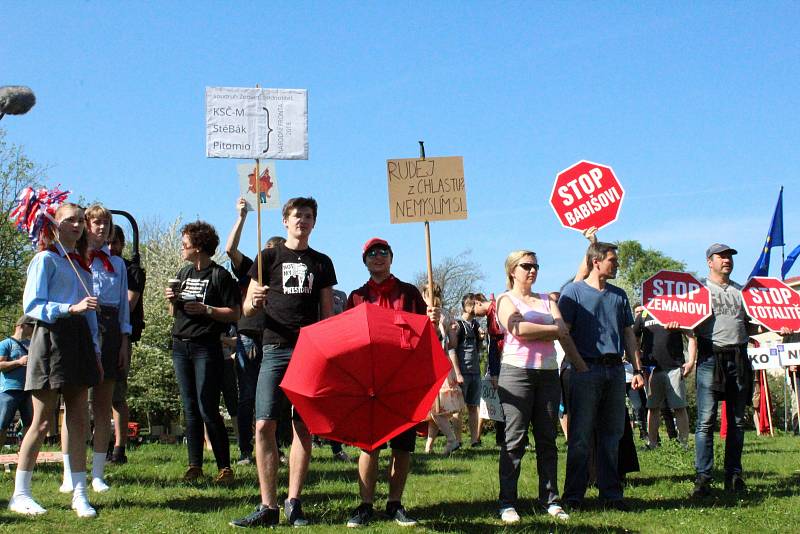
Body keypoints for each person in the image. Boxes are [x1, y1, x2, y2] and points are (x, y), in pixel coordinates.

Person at [230, 197, 336, 528]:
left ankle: (294, 502)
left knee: (303, 426)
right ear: (284, 222)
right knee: (264, 424)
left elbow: (328, 312)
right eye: (296, 216)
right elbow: (245, 309)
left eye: (307, 216)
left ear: (314, 223)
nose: (301, 221)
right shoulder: (267, 257)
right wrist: (254, 302)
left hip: (309, 351)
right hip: (273, 348)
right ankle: (268, 506)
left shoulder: (322, 262)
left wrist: (326, 349)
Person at [10, 202, 101, 517]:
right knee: (43, 420)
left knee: (78, 419)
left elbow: (90, 313)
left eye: (80, 220)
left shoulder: (83, 264)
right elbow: (32, 304)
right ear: (54, 225)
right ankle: (20, 493)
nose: (76, 225)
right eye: (69, 220)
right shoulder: (45, 260)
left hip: (79, 343)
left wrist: (96, 350)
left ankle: (79, 493)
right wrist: (68, 308)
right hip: (51, 338)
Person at [344, 237, 441, 528]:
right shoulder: (357, 296)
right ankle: (365, 505)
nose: (378, 257)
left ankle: (395, 504)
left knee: (403, 445)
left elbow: (424, 335)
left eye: (383, 252)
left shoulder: (410, 293)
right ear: (365, 261)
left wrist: (432, 319)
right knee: (369, 445)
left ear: (391, 257)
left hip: (403, 378)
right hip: (369, 380)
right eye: (372, 253)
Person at [690, 243, 794, 497]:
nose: (727, 260)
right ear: (709, 261)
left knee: (737, 421)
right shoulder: (699, 290)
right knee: (705, 421)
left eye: (729, 257)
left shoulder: (742, 292)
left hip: (738, 358)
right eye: (721, 257)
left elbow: (751, 326)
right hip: (710, 359)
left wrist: (777, 327)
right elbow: (688, 322)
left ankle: (734, 475)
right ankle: (703, 477)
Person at [496, 250, 587, 524]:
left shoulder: (547, 299)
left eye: (536, 266)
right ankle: (507, 503)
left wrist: (581, 366)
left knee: (548, 439)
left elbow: (564, 335)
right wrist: (555, 329)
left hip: (547, 374)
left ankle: (550, 500)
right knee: (514, 440)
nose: (533, 270)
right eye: (526, 266)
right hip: (516, 374)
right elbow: (518, 329)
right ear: (513, 270)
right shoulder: (504, 299)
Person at [559, 240, 645, 511]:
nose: (617, 264)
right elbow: (564, 333)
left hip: (615, 370)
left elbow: (629, 334)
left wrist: (638, 369)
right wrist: (579, 365)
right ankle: (573, 497)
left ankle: (611, 494)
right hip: (586, 370)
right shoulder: (572, 293)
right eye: (612, 260)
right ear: (596, 261)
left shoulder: (619, 296)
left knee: (613, 435)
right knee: (581, 437)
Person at [165, 221, 240, 485]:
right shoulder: (184, 273)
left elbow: (235, 313)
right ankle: (194, 465)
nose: (182, 248)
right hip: (180, 345)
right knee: (189, 407)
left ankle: (225, 467)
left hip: (206, 346)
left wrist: (207, 310)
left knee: (208, 406)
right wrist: (172, 301)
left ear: (198, 247)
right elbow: (174, 314)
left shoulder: (220, 276)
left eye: (185, 243)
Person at [61, 205, 130, 494]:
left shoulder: (119, 264)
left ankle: (99, 473)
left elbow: (124, 307)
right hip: (79, 325)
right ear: (86, 226)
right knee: (74, 405)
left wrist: (124, 340)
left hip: (110, 328)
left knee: (104, 403)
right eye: (96, 223)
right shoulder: (75, 260)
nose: (101, 228)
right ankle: (69, 473)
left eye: (106, 224)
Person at [108, 224, 146, 464]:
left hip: (120, 335)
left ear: (122, 244)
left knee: (117, 393)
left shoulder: (131, 270)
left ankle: (120, 447)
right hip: (96, 334)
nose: (111, 247)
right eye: (107, 242)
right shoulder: (96, 264)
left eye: (115, 243)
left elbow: (129, 304)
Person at [634, 308, 695, 448]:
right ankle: (652, 443)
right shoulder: (643, 314)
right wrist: (638, 364)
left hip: (674, 367)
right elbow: (633, 339)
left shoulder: (676, 310)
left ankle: (683, 444)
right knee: (652, 407)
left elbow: (691, 337)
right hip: (651, 369)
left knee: (679, 406)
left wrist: (691, 362)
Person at [448, 293, 489, 448]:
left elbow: (479, 349)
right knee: (458, 408)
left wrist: (480, 339)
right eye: (472, 304)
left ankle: (474, 440)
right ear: (465, 306)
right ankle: (457, 441)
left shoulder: (476, 326)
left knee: (473, 406)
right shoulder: (458, 325)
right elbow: (452, 349)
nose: (475, 307)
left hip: (475, 372)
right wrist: (457, 373)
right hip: (462, 373)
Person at [0, 315, 36, 450]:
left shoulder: (32, 345)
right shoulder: (6, 344)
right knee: (2, 425)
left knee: (30, 424)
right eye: (31, 326)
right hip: (9, 391)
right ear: (22, 326)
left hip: (29, 390)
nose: (33, 329)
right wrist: (18, 362)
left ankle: (25, 457)